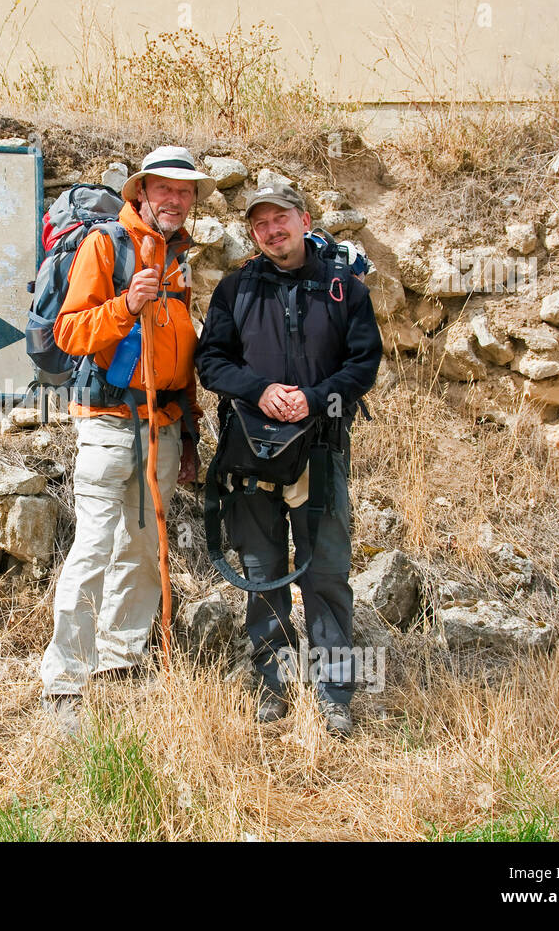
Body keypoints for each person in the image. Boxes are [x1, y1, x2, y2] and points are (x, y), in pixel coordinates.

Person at [39, 146, 215, 734]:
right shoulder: (105, 245)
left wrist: (189, 432)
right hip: (110, 420)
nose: (175, 199)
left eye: (185, 191)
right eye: (164, 189)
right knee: (92, 546)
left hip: (162, 424)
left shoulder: (181, 261)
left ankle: (121, 659)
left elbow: (182, 356)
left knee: (143, 549)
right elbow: (68, 331)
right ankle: (65, 682)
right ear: (141, 193)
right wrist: (125, 305)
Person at [195, 184, 381, 736]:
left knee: (326, 572)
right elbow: (212, 363)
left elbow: (364, 362)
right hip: (251, 455)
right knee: (262, 570)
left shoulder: (345, 288)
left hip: (320, 451)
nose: (273, 231)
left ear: (303, 219)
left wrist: (317, 396)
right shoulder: (234, 290)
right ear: (252, 234)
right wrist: (258, 389)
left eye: (281, 220)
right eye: (260, 225)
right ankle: (273, 682)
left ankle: (334, 692)